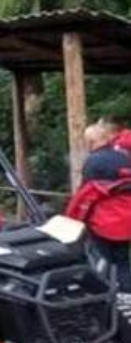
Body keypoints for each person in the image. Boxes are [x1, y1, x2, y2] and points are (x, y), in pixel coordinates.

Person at [68, 118, 131, 292]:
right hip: (127, 221)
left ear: (93, 141)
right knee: (123, 259)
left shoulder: (94, 162)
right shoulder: (124, 157)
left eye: (87, 141)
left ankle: (103, 296)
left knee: (101, 259)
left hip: (104, 222)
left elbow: (86, 194)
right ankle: (127, 294)